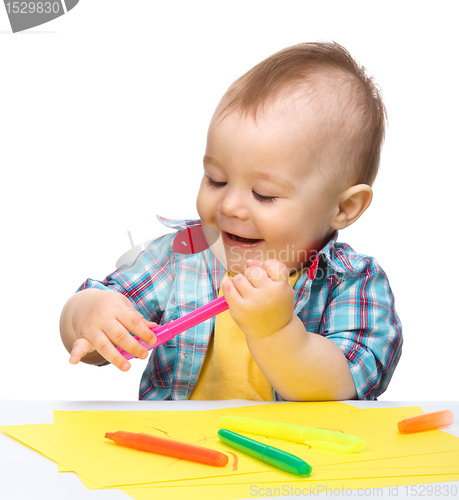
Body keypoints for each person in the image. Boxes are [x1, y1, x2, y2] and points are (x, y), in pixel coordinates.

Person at [60, 42, 402, 402]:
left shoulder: (351, 283)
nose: (230, 205)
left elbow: (343, 387)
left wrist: (276, 331)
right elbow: (96, 334)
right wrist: (87, 314)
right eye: (216, 180)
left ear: (344, 208)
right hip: (177, 452)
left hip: (296, 457)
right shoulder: (183, 257)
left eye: (264, 194)